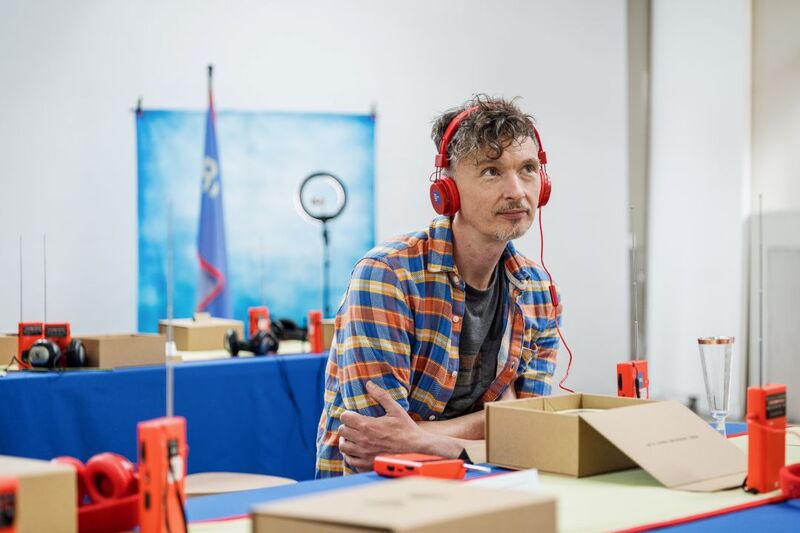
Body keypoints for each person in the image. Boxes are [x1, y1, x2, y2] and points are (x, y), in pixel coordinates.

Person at [315, 95, 562, 477]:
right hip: (373, 492)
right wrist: (495, 421)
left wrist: (425, 440)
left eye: (528, 169)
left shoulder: (539, 292)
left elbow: (530, 434)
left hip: (487, 487)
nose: (517, 190)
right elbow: (376, 441)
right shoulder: (387, 276)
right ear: (447, 189)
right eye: (492, 171)